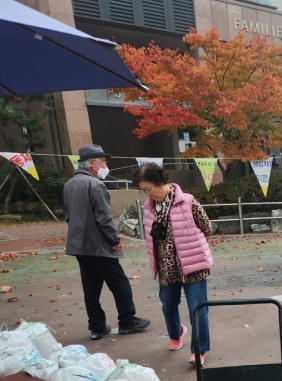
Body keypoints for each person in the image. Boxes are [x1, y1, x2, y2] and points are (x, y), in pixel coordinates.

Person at [63, 144, 150, 340]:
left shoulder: (69, 184)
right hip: (98, 244)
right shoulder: (95, 185)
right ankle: (127, 320)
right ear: (92, 164)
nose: (105, 164)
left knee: (91, 287)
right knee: (119, 282)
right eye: (103, 161)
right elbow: (104, 217)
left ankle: (96, 327)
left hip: (78, 244)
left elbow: (68, 216)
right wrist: (114, 239)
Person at [132, 162, 213, 366]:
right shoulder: (149, 209)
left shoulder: (187, 201)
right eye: (144, 191)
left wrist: (192, 246)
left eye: (149, 189)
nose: (148, 194)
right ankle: (177, 332)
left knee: (198, 308)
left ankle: (198, 350)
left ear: (160, 181)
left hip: (193, 264)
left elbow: (207, 227)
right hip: (167, 268)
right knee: (168, 305)